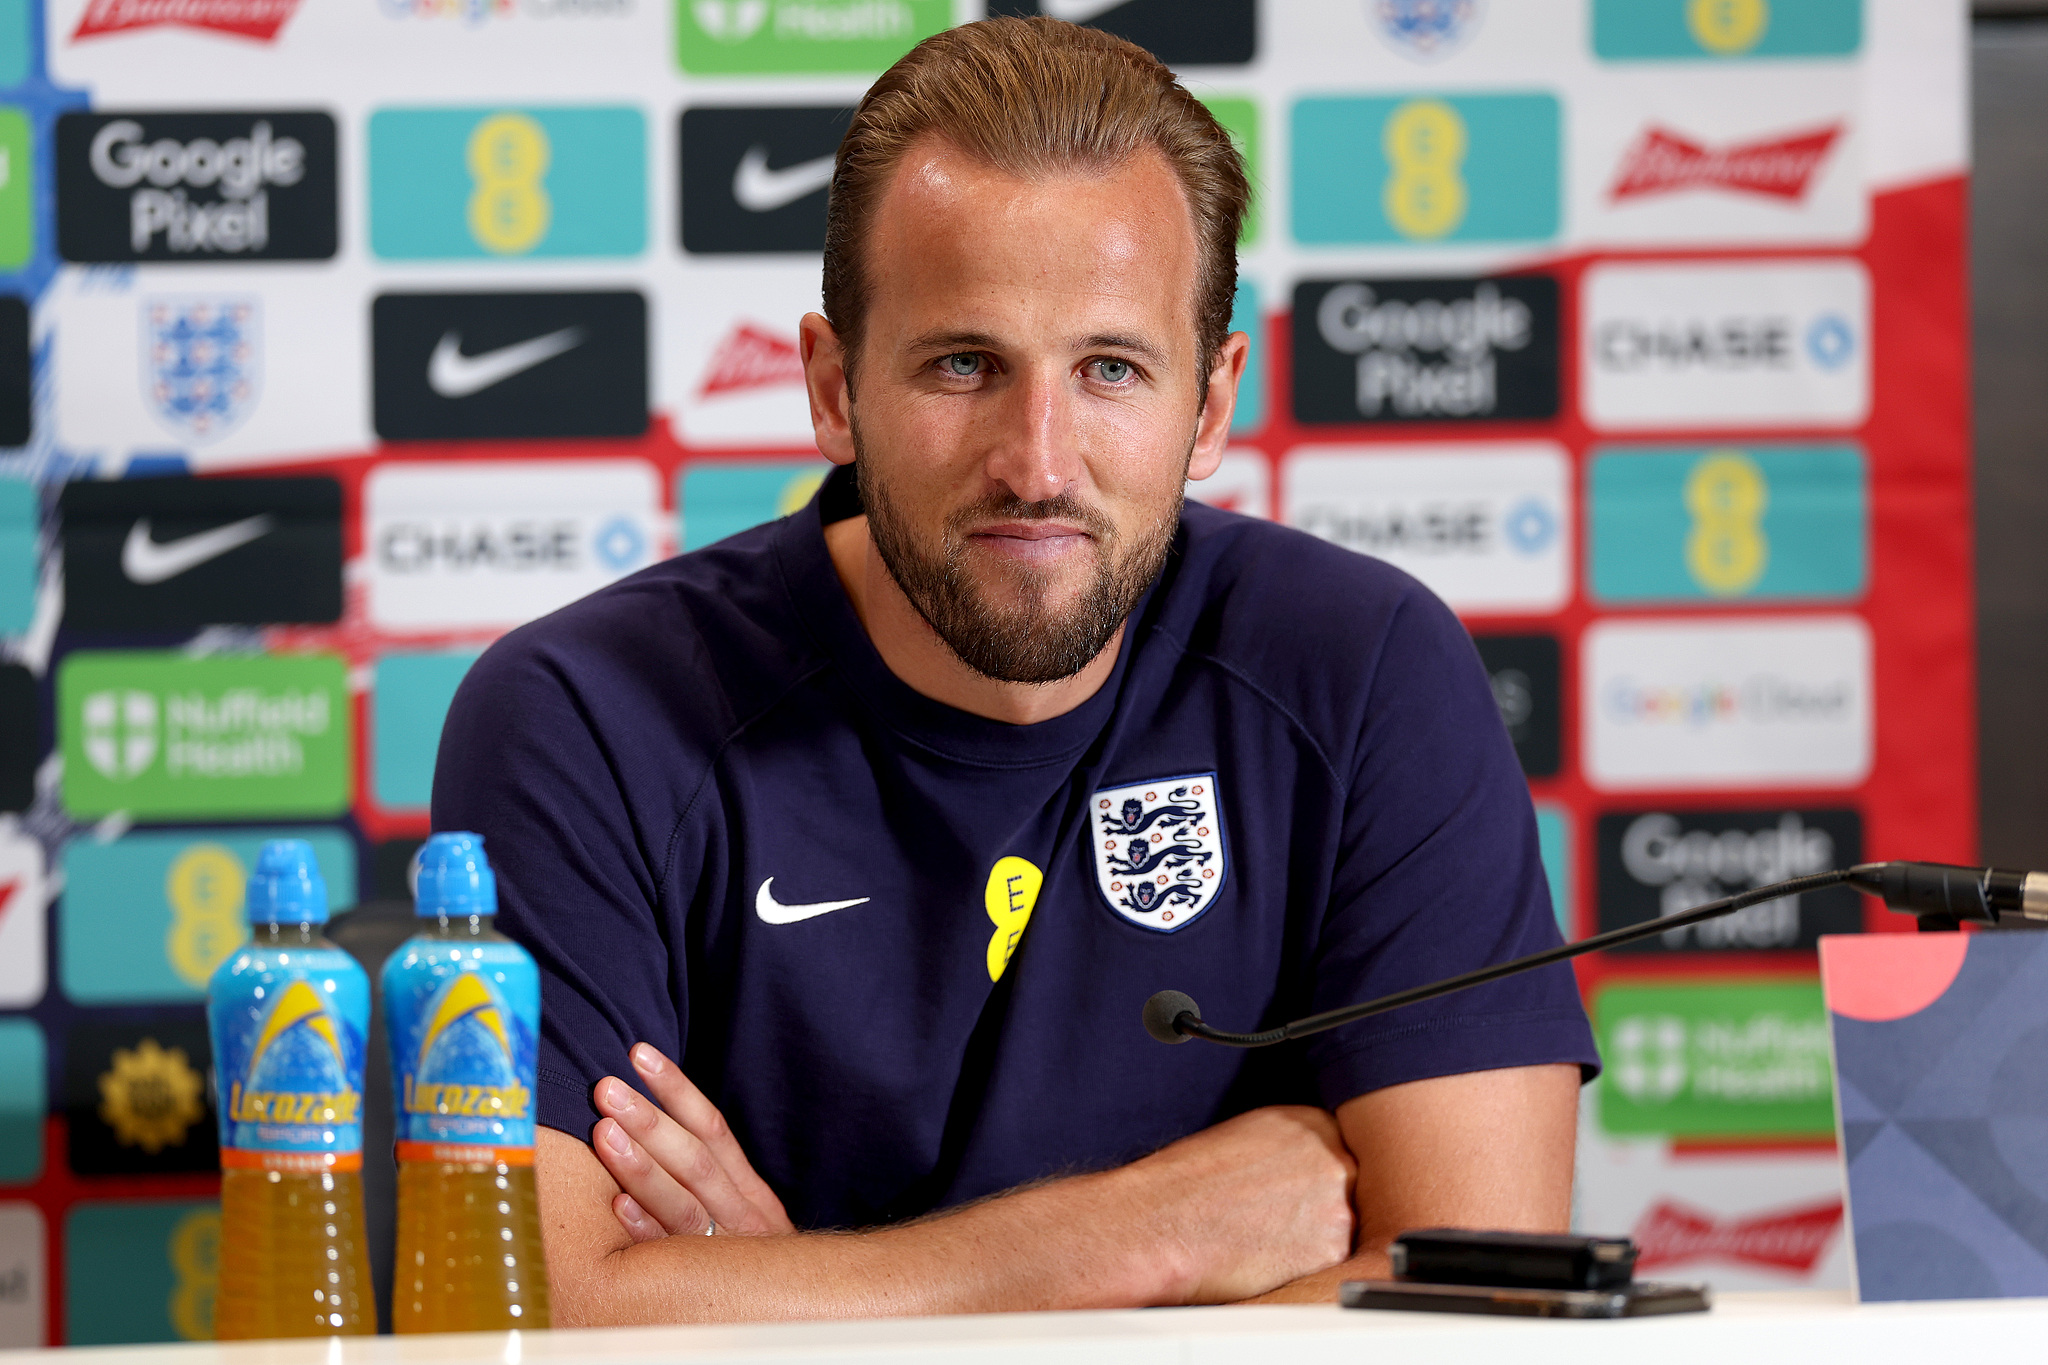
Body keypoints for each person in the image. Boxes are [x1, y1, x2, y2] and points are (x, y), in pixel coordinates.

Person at [433, 16, 1598, 1325]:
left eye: (1109, 368)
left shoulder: (1366, 674)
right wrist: (1136, 1240)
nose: (1037, 462)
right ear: (833, 387)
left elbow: (1478, 1300)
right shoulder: (585, 716)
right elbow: (525, 1320)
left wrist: (782, 1304)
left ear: (1210, 404)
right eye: (964, 364)